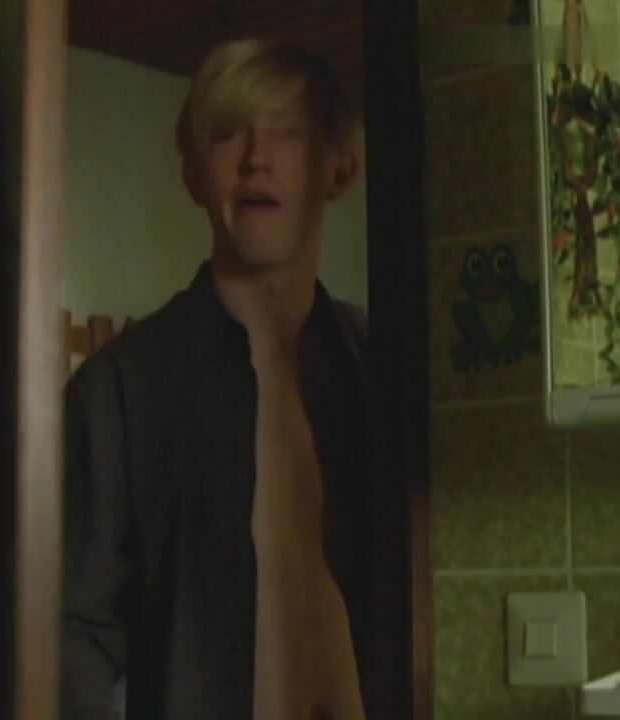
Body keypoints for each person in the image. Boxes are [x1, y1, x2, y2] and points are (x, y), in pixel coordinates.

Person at [61, 39, 372, 720]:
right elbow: (74, 636)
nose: (257, 156)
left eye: (288, 132)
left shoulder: (380, 374)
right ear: (194, 173)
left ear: (340, 167)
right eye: (230, 133)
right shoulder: (119, 394)